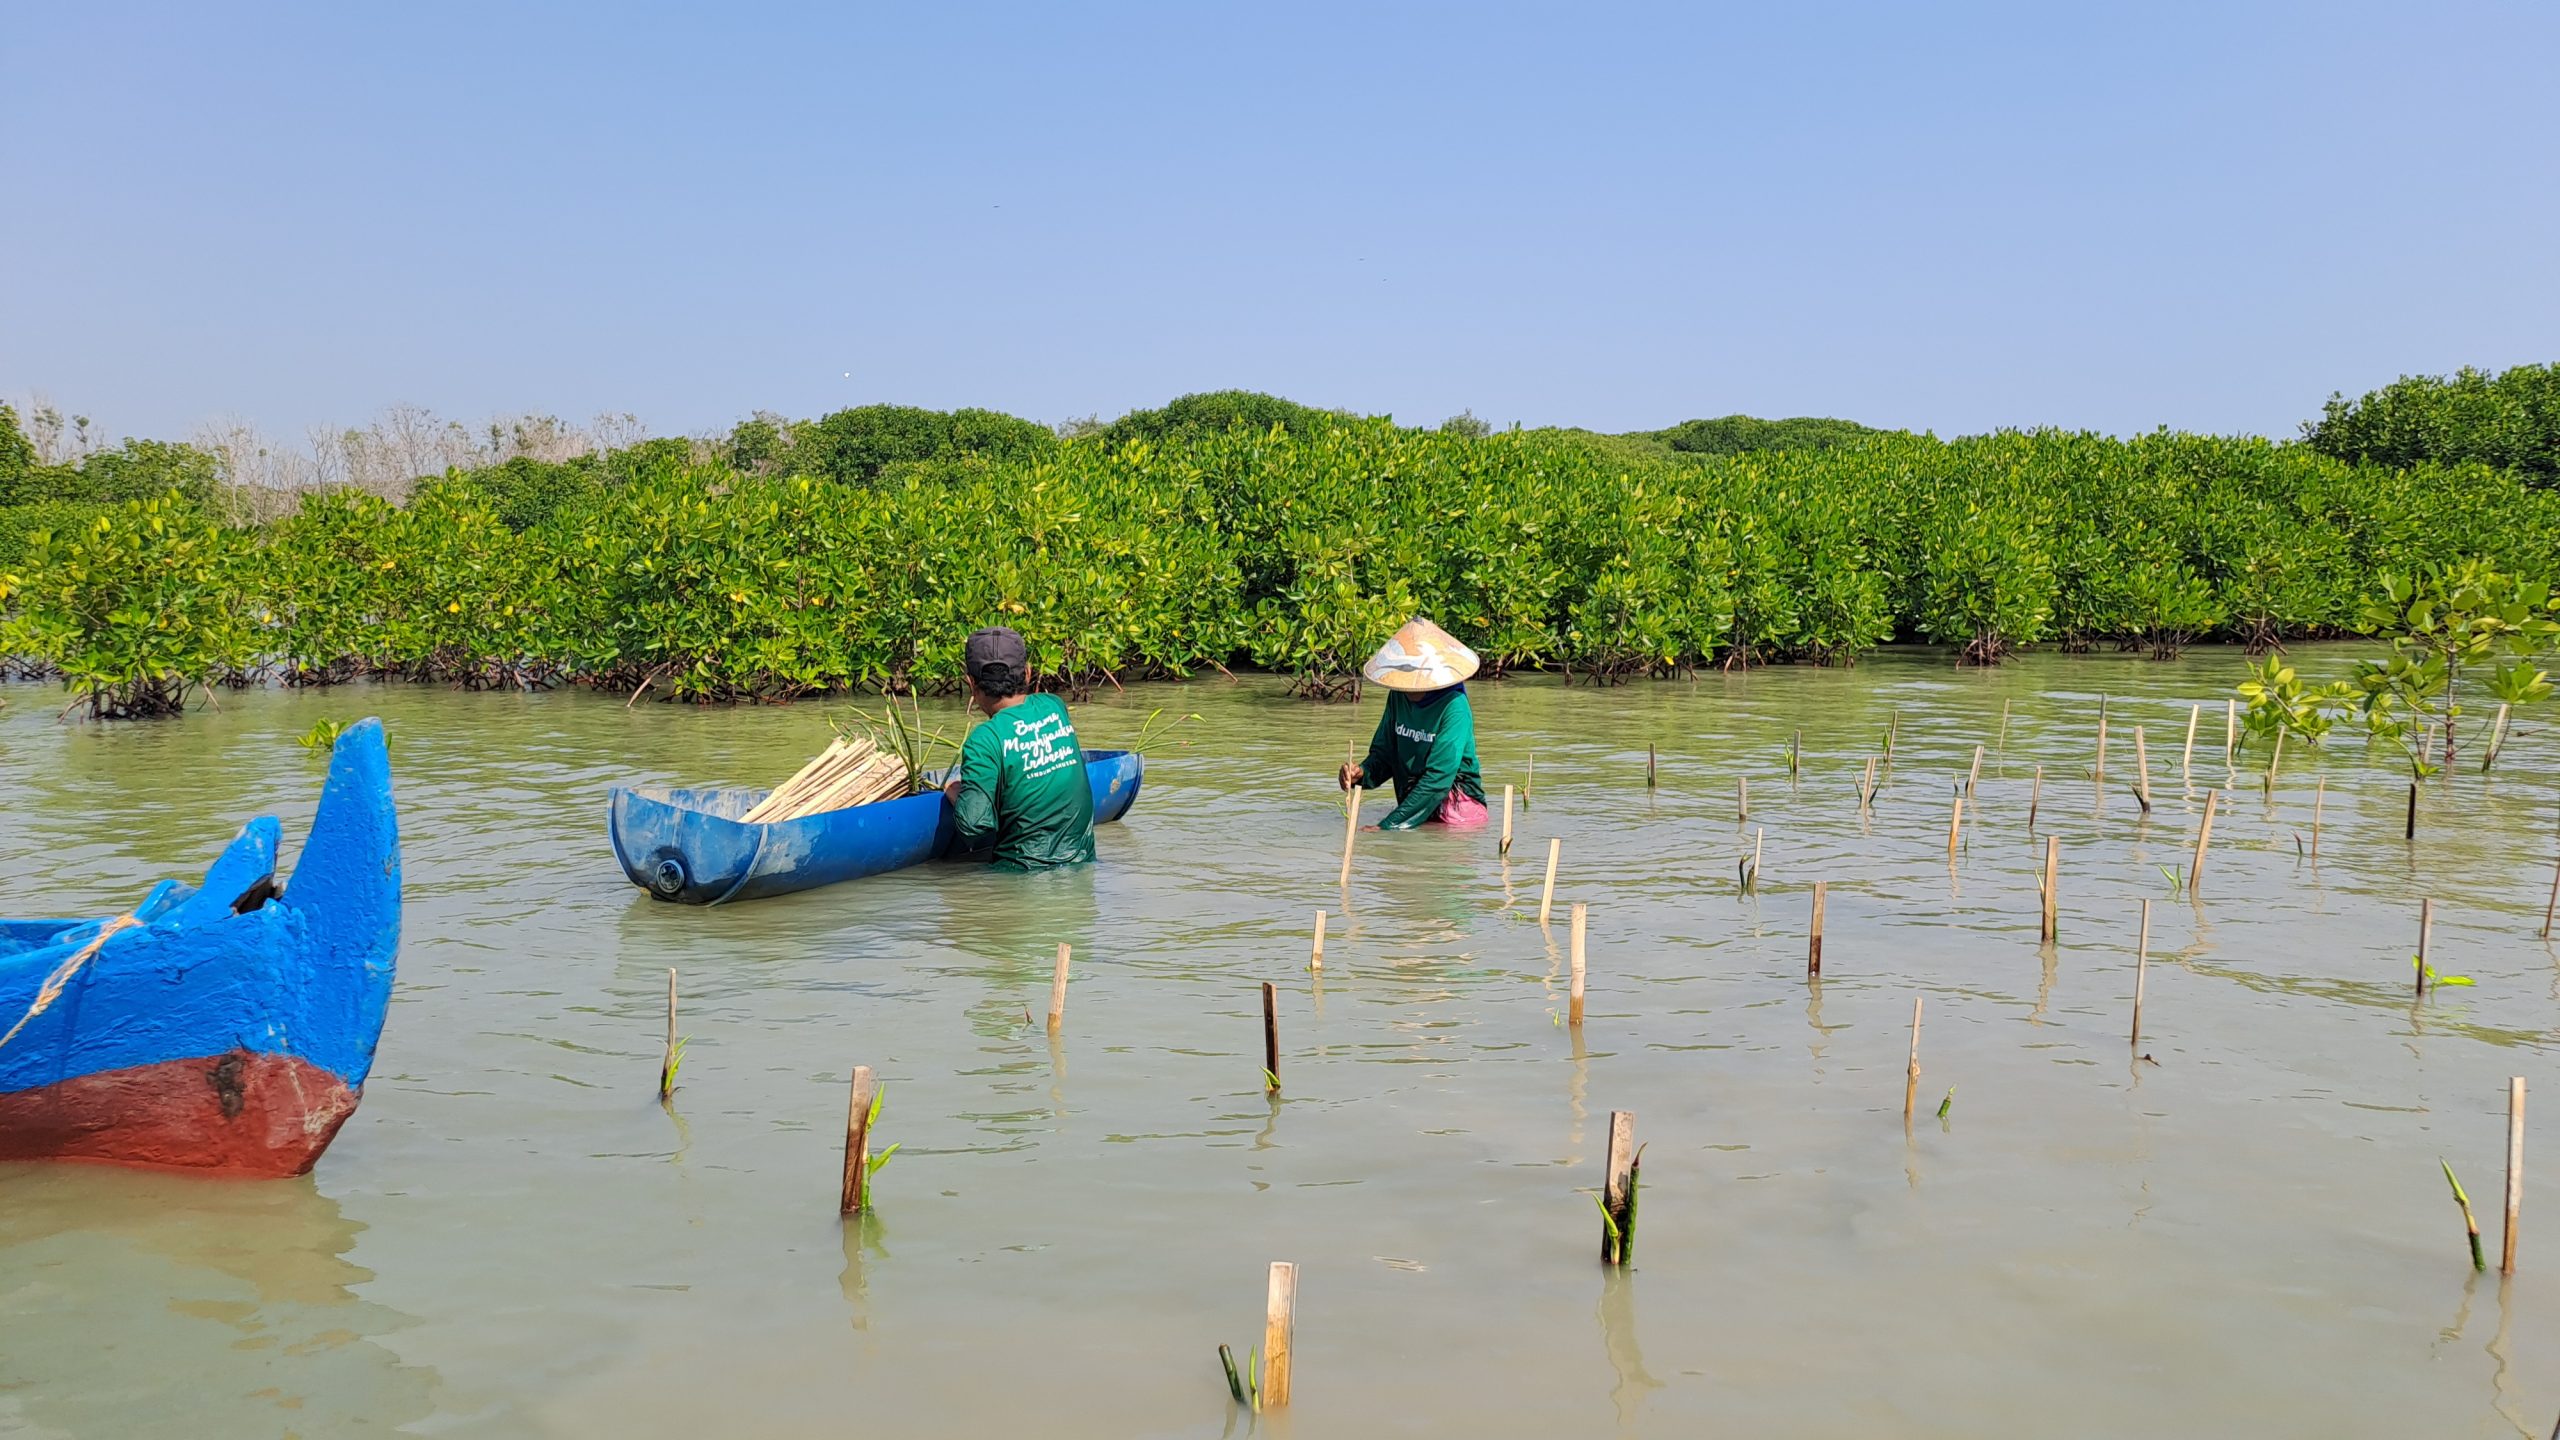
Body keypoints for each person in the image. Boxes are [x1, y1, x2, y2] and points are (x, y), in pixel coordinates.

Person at [941, 626, 1097, 870]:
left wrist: (956, 793)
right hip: (1083, 871)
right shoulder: (1054, 706)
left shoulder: (984, 740)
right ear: (1027, 673)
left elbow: (974, 826)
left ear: (971, 683)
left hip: (1019, 877)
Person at [1336, 617, 1489, 830]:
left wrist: (1388, 826)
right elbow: (1385, 755)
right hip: (1414, 807)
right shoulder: (1398, 697)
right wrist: (1360, 773)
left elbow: (1438, 779)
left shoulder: (1455, 706)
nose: (1409, 689)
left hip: (1457, 812)